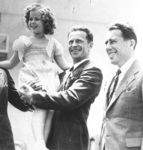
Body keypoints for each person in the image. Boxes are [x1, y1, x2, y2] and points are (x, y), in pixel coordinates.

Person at [0, 3, 69, 150]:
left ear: (46, 22)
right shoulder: (24, 42)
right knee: (41, 106)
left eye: (37, 19)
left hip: (49, 79)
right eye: (31, 19)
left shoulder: (53, 43)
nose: (33, 22)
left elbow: (64, 65)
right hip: (31, 77)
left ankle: (44, 144)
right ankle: (39, 143)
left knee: (50, 110)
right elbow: (10, 63)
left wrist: (82, 64)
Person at [19, 26, 103, 150]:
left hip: (70, 142)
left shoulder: (92, 72)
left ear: (90, 45)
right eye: (71, 42)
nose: (74, 45)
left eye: (79, 41)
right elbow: (50, 97)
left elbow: (70, 99)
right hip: (52, 141)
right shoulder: (64, 74)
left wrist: (33, 96)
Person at [99, 22, 143, 150]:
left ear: (131, 43)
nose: (108, 47)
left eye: (112, 41)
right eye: (106, 43)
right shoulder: (111, 77)